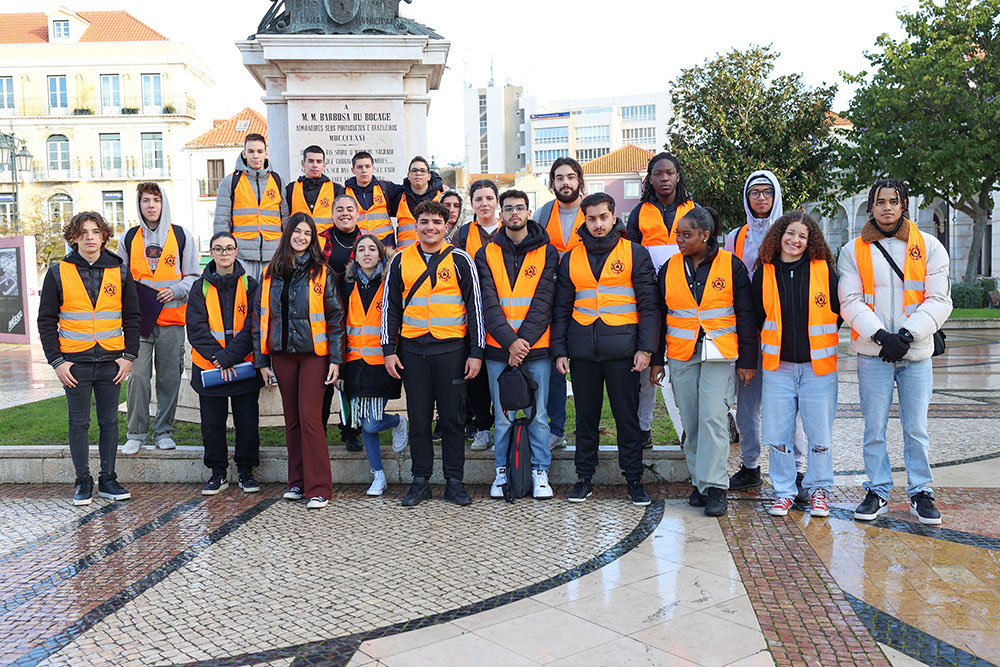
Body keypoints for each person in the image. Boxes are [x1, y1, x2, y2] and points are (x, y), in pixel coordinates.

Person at [838, 179, 952, 525]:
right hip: (874, 353)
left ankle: (920, 491)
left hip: (915, 352)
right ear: (871, 207)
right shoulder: (851, 250)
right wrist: (881, 336)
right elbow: (850, 300)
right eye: (880, 201)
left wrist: (905, 334)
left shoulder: (930, 246)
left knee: (916, 426)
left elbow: (939, 299)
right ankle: (878, 490)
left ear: (904, 205)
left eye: (893, 201)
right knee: (874, 427)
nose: (886, 207)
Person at [553, 193, 659, 506]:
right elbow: (561, 308)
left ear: (614, 217)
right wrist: (560, 350)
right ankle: (583, 478)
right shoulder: (571, 257)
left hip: (624, 352)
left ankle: (634, 479)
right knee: (585, 419)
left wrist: (646, 349)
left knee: (627, 420)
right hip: (583, 352)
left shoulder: (635, 253)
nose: (598, 224)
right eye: (591, 218)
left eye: (603, 217)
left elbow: (649, 306)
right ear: (583, 220)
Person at [650, 207, 757, 518]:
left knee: (713, 417)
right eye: (677, 235)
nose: (679, 240)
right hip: (682, 353)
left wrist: (747, 359)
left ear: (705, 236)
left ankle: (717, 487)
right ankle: (700, 482)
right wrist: (657, 360)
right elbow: (659, 316)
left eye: (686, 235)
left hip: (720, 353)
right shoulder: (670, 268)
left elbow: (746, 316)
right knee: (692, 421)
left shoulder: (731, 266)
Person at [381, 199, 485, 507]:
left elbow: (475, 308)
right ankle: (420, 480)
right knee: (419, 418)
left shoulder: (461, 259)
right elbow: (390, 308)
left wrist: (476, 352)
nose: (430, 228)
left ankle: (454, 481)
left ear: (447, 226)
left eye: (437, 223)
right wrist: (389, 350)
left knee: (453, 419)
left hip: (451, 351)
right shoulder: (401, 259)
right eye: (424, 222)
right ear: (416, 225)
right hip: (413, 351)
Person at [38, 212, 140, 505]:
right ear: (74, 237)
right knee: (78, 423)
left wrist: (128, 357)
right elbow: (46, 321)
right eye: (83, 232)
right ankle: (83, 480)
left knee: (109, 422)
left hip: (112, 361)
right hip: (75, 364)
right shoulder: (58, 272)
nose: (90, 237)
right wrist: (57, 362)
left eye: (96, 231)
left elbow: (133, 317)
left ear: (105, 236)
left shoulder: (120, 271)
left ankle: (108, 479)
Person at [751, 212, 840, 517]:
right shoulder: (764, 271)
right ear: (779, 235)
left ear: (810, 240)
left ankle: (818, 491)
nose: (795, 240)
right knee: (778, 435)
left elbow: (837, 312)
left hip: (819, 368)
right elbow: (755, 317)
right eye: (790, 233)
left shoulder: (823, 270)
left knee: (820, 436)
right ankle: (784, 491)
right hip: (778, 367)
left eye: (802, 236)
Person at [254, 212, 345, 509]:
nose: (302, 237)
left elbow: (335, 318)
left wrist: (335, 359)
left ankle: (319, 487)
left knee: (310, 418)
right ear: (288, 234)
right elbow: (259, 319)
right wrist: (262, 360)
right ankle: (297, 482)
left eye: (307, 233)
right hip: (282, 355)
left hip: (315, 356)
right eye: (297, 231)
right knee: (291, 421)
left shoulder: (323, 272)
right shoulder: (270, 273)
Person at [725, 170, 807, 499]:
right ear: (746, 198)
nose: (761, 198)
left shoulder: (791, 233)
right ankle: (749, 466)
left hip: (785, 333)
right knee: (746, 407)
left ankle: (798, 471)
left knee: (788, 406)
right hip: (748, 331)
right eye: (754, 192)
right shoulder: (736, 236)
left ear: (776, 196)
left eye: (767, 192)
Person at [475, 189, 559, 499]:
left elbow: (544, 303)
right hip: (499, 350)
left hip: (536, 350)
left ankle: (539, 471)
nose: (514, 213)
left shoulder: (548, 252)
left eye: (519, 208)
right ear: (500, 214)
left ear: (528, 213)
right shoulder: (485, 253)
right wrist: (511, 343)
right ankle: (501, 472)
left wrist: (521, 343)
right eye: (508, 208)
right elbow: (488, 303)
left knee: (538, 416)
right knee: (503, 416)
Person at [118, 182, 198, 453]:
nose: (151, 205)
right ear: (139, 205)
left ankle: (163, 431)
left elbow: (194, 278)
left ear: (164, 203)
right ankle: (136, 433)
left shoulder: (182, 236)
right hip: (139, 323)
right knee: (138, 378)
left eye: (156, 200)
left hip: (172, 320)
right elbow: (120, 279)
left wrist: (174, 290)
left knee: (169, 379)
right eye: (145, 201)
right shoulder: (128, 238)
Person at [186, 232, 264, 495]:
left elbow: (254, 327)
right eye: (218, 249)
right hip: (210, 368)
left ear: (236, 251)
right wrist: (218, 358)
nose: (224, 253)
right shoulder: (200, 287)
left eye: (229, 248)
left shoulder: (250, 285)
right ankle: (217, 473)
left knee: (247, 423)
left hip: (242, 366)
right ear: (211, 252)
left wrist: (229, 357)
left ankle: (246, 470)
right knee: (212, 424)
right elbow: (196, 329)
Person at [626, 153, 691, 450]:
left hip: (684, 297)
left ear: (678, 176)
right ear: (650, 179)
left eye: (669, 173)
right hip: (648, 298)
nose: (664, 178)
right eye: (658, 174)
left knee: (683, 367)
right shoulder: (639, 213)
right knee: (648, 363)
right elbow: (631, 255)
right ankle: (643, 428)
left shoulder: (694, 210)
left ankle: (690, 425)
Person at [340, 234, 409, 495]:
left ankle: (396, 421)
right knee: (362, 422)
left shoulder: (391, 282)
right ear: (355, 255)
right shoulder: (346, 284)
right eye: (361, 249)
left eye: (372, 249)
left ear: (381, 254)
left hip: (382, 362)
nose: (366, 253)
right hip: (354, 364)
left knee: (371, 422)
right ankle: (377, 475)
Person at [533, 157, 586, 451]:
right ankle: (556, 429)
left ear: (579, 180)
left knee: (585, 373)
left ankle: (585, 430)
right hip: (554, 301)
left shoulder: (594, 212)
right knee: (556, 366)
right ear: (552, 183)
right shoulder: (543, 214)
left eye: (570, 177)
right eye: (559, 178)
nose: (565, 183)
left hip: (588, 301)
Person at [455, 178, 500, 450]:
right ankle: (483, 426)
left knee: (505, 372)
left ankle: (505, 425)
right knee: (476, 373)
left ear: (497, 201)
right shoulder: (462, 234)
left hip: (506, 311)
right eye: (479, 199)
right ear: (472, 204)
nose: (484, 204)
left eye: (489, 198)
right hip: (473, 311)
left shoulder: (510, 228)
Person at [318, 194, 364, 451]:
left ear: (357, 214)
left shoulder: (367, 242)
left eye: (350, 209)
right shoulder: (320, 240)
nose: (345, 213)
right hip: (324, 315)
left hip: (357, 314)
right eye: (339, 209)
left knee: (352, 377)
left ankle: (351, 430)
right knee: (324, 376)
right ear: (332, 213)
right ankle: (319, 430)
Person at [213, 133, 289, 282]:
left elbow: (285, 219)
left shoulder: (278, 180)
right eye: (251, 151)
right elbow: (221, 221)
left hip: (273, 256)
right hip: (242, 257)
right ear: (244, 153)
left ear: (266, 154)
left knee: (270, 303)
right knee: (243, 302)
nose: (256, 156)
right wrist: (224, 253)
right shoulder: (230, 182)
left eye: (260, 151)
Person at [287, 145, 344, 247]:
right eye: (311, 161)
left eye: (318, 162)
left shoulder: (336, 189)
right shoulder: (291, 189)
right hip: (298, 245)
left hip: (327, 247)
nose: (315, 165)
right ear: (303, 163)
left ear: (324, 165)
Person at [343, 150, 403, 247]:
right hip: (359, 245)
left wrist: (435, 180)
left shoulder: (385, 187)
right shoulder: (344, 192)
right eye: (359, 167)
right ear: (353, 170)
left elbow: (411, 187)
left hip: (385, 245)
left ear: (373, 168)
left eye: (367, 166)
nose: (364, 170)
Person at [393, 156, 444, 248]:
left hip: (433, 256)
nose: (418, 173)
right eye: (414, 170)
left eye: (422, 171)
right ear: (408, 176)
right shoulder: (399, 197)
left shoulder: (441, 198)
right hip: (404, 256)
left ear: (429, 176)